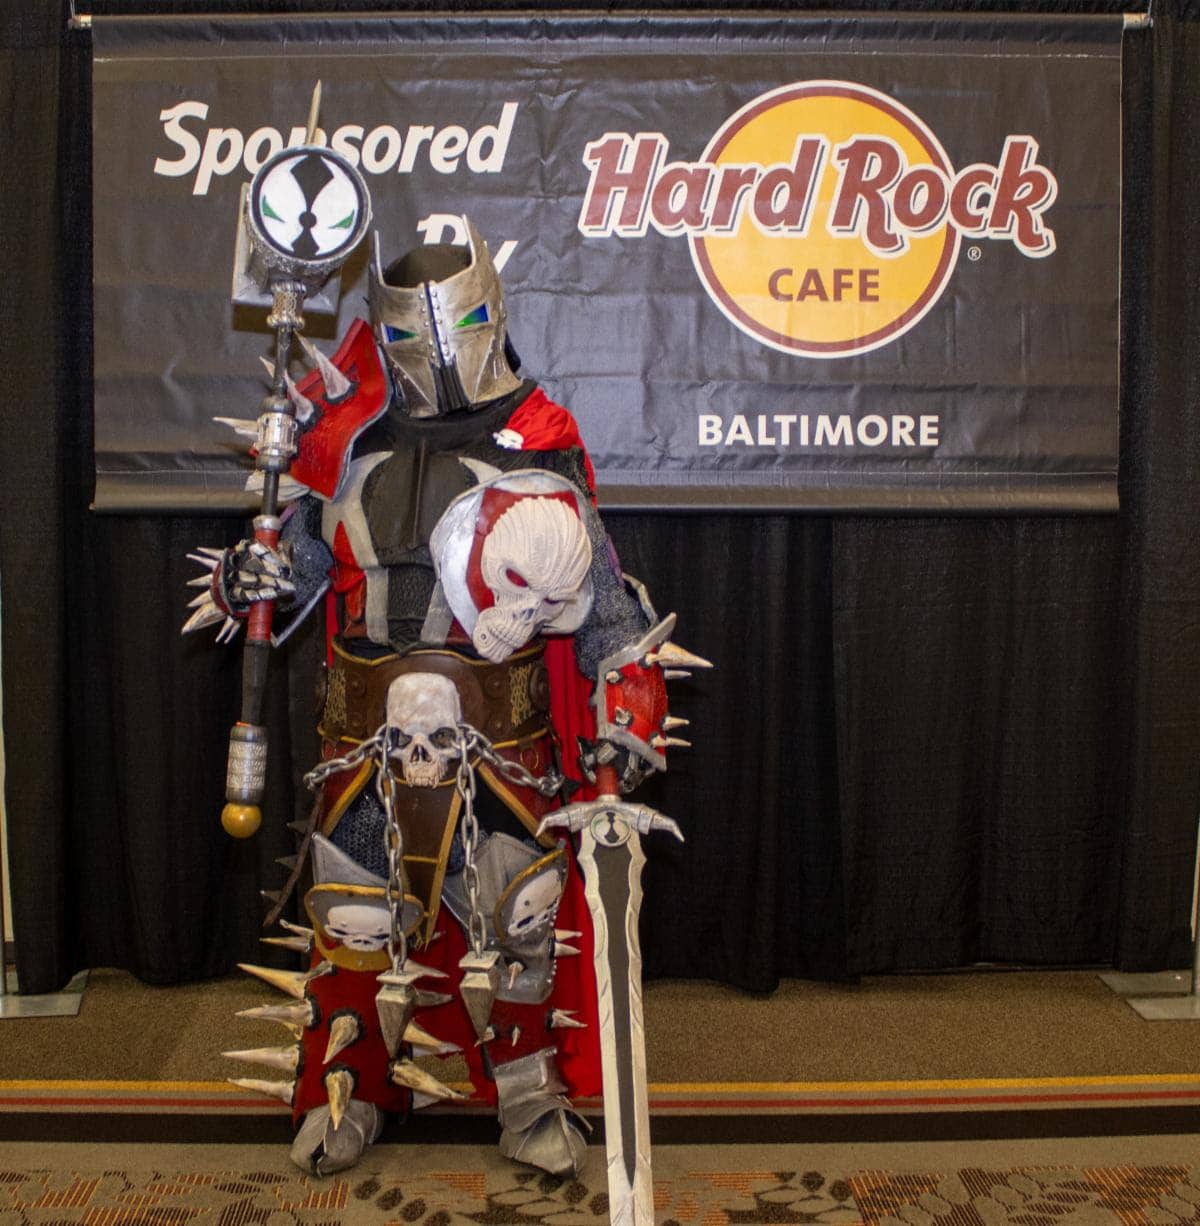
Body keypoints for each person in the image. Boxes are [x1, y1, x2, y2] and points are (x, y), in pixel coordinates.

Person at [186, 217, 696, 1178]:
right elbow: (294, 570)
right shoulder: (345, 439)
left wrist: (625, 706)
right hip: (364, 729)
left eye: (456, 323)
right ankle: (347, 1088)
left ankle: (529, 1092)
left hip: (498, 729)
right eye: (407, 333)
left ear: (490, 312)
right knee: (355, 917)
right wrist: (250, 579)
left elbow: (601, 598)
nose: (436, 349)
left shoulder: (538, 436)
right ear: (384, 334)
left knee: (518, 917)